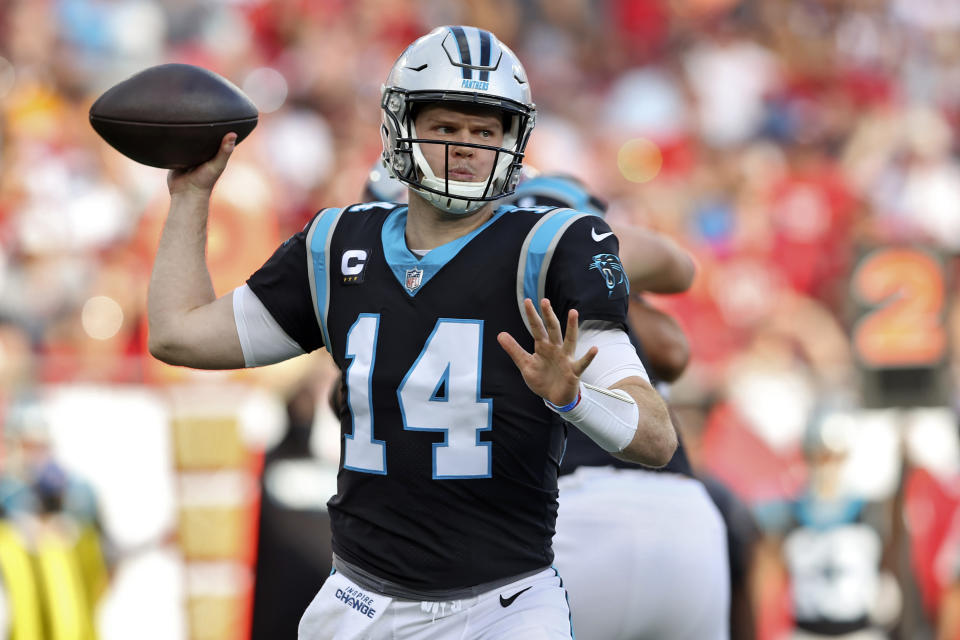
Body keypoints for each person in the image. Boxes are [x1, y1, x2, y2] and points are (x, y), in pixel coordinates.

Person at [146, 25, 676, 639]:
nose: (466, 148)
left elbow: (656, 437)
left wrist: (573, 398)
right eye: (446, 128)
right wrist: (190, 195)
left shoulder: (551, 248)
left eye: (485, 131)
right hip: (360, 602)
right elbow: (178, 335)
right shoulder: (338, 245)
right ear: (401, 127)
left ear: (514, 140)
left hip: (501, 608)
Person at [504, 174, 732, 640]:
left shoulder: (482, 275)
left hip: (568, 517)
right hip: (683, 514)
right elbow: (675, 333)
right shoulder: (590, 266)